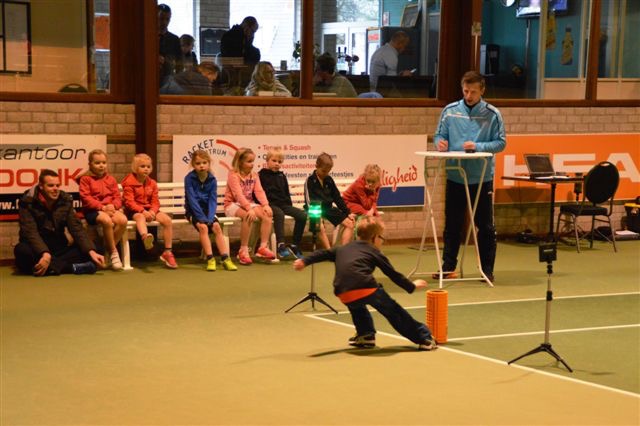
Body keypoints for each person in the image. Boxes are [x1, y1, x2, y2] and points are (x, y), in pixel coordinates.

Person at [293, 216, 437, 351]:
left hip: (343, 292)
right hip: (366, 287)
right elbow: (392, 274)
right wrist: (412, 285)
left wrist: (304, 261)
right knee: (394, 311)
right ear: (374, 238)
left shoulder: (342, 248)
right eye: (382, 237)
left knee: (357, 306)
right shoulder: (374, 251)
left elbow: (321, 254)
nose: (382, 241)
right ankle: (424, 338)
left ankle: (366, 335)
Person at [435, 70, 506, 282]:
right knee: (452, 225)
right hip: (455, 175)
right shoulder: (449, 111)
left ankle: (487, 270)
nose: (469, 96)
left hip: (482, 177)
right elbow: (439, 134)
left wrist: (478, 146)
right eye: (466, 91)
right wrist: (439, 143)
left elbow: (501, 143)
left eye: (473, 92)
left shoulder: (492, 114)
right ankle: (448, 268)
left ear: (482, 91)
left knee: (484, 226)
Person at [14, 169, 106, 276]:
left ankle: (50, 268)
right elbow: (30, 233)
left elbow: (76, 228)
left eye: (57, 185)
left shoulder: (65, 200)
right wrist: (45, 253)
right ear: (41, 186)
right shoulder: (27, 202)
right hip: (36, 249)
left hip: (59, 248)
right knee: (21, 251)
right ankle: (72, 268)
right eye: (51, 186)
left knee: (96, 249)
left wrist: (91, 251)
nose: (55, 189)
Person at [121, 153, 178, 269]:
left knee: (167, 220)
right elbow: (129, 202)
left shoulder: (152, 183)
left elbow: (155, 201)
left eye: (148, 166)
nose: (146, 169)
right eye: (142, 166)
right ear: (135, 168)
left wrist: (152, 211)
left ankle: (168, 252)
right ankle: (145, 238)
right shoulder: (129, 182)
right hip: (134, 210)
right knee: (140, 218)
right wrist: (142, 211)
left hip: (150, 210)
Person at [184, 150, 237, 272]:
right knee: (203, 227)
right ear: (193, 165)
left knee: (217, 227)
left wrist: (210, 216)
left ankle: (225, 258)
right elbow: (192, 200)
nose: (201, 165)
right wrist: (202, 218)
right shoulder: (189, 179)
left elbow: (213, 200)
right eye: (198, 163)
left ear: (209, 163)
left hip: (208, 211)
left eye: (204, 162)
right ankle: (210, 259)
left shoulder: (212, 179)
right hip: (193, 211)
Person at [77, 149, 128, 270]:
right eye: (97, 163)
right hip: (92, 211)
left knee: (123, 220)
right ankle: (114, 254)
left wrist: (113, 206)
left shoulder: (111, 179)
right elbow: (86, 198)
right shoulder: (85, 179)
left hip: (110, 208)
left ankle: (107, 250)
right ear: (90, 164)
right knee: (106, 221)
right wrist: (102, 207)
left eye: (104, 162)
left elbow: (117, 197)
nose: (101, 165)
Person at [224, 148, 276, 265]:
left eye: (253, 161)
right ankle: (243, 250)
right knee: (249, 216)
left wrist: (266, 205)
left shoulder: (254, 175)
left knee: (267, 214)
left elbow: (259, 191)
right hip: (232, 204)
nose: (252, 164)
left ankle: (262, 247)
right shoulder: (233, 175)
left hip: (248, 203)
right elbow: (238, 195)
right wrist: (249, 208)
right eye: (249, 161)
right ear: (240, 161)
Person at [258, 147, 307, 259]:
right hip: (270, 205)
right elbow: (258, 193)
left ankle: (295, 245)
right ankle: (281, 245)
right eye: (274, 161)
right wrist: (264, 206)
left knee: (302, 215)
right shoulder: (261, 175)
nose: (277, 164)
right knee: (279, 214)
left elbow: (286, 192)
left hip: (283, 205)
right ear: (267, 160)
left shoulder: (282, 176)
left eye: (279, 162)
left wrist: (289, 206)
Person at [304, 152, 354, 249]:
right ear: (316, 166)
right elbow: (308, 201)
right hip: (314, 210)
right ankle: (329, 251)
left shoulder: (329, 180)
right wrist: (318, 215)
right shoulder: (309, 180)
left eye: (328, 171)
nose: (325, 174)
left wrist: (347, 212)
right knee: (320, 227)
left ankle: (343, 251)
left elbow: (337, 197)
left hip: (328, 209)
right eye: (323, 171)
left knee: (350, 224)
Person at [342, 164, 384, 232]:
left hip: (362, 203)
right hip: (349, 202)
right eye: (368, 181)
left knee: (377, 216)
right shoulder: (359, 184)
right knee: (367, 215)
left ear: (378, 180)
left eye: (373, 182)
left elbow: (374, 201)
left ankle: (375, 238)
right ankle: (364, 236)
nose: (370, 184)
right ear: (365, 177)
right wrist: (372, 192)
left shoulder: (377, 185)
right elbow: (366, 205)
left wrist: (372, 210)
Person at [158, 4, 182, 87]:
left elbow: (179, 63)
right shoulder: (147, 37)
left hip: (168, 79)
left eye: (167, 19)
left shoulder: (174, 39)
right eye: (161, 19)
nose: (164, 22)